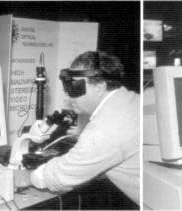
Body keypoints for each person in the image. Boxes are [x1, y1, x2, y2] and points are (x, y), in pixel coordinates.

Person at [14, 51, 140, 206]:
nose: (67, 97)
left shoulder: (105, 128)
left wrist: (25, 177)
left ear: (100, 87)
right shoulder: (129, 101)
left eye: (74, 87)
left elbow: (62, 175)